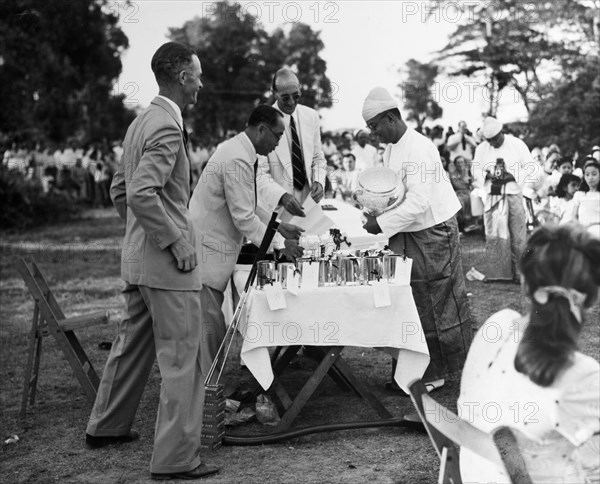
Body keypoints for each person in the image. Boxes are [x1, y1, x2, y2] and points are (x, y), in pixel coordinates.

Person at [85, 42, 219, 481]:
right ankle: (178, 459)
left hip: (140, 263)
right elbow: (142, 192)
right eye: (197, 75)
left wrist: (141, 237)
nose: (201, 83)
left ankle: (107, 426)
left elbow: (120, 193)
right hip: (168, 266)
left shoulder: (141, 121)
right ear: (182, 77)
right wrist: (175, 243)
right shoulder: (165, 126)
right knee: (183, 357)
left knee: (132, 344)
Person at [459, 224, 600, 483]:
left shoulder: (497, 326)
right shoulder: (582, 373)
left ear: (525, 285)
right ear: (592, 298)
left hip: (474, 472)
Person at [361, 87, 474, 388]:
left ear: (390, 118)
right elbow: (397, 193)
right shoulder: (392, 149)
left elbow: (419, 202)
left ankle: (439, 374)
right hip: (408, 232)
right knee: (411, 302)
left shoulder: (419, 147)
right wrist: (375, 209)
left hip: (433, 231)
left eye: (375, 127)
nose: (374, 134)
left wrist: (381, 224)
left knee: (438, 304)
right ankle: (414, 370)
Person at [189, 105, 304, 373]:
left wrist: (279, 227)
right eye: (276, 135)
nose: (277, 143)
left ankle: (206, 396)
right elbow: (243, 217)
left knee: (211, 330)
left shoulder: (241, 151)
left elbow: (249, 204)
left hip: (214, 250)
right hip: (207, 252)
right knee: (209, 332)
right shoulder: (238, 158)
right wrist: (280, 244)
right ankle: (204, 401)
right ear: (261, 129)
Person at [472, 116, 537, 282]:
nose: (493, 143)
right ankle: (499, 273)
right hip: (493, 195)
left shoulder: (516, 144)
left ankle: (520, 272)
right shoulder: (481, 148)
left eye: (495, 139)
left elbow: (531, 166)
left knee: (518, 234)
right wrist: (488, 174)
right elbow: (475, 170)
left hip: (513, 192)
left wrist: (512, 176)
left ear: (502, 132)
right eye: (490, 140)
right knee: (495, 233)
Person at [256, 67, 327, 219]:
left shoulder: (311, 116)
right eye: (285, 97)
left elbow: (317, 158)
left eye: (296, 96)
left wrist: (319, 181)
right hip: (277, 208)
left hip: (309, 203)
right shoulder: (262, 121)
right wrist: (281, 196)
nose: (291, 102)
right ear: (274, 93)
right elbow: (259, 174)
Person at [567, 158, 600, 239]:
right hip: (583, 231)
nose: (590, 177)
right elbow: (574, 216)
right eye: (587, 174)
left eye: (594, 174)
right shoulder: (579, 194)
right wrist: (580, 227)